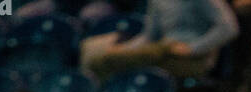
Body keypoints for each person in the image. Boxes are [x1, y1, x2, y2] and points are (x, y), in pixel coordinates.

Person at [85, 0, 240, 80]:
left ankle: (103, 60)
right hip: (162, 52)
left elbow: (229, 28)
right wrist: (126, 49)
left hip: (193, 58)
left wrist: (193, 48)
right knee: (97, 53)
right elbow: (148, 37)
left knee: (162, 48)